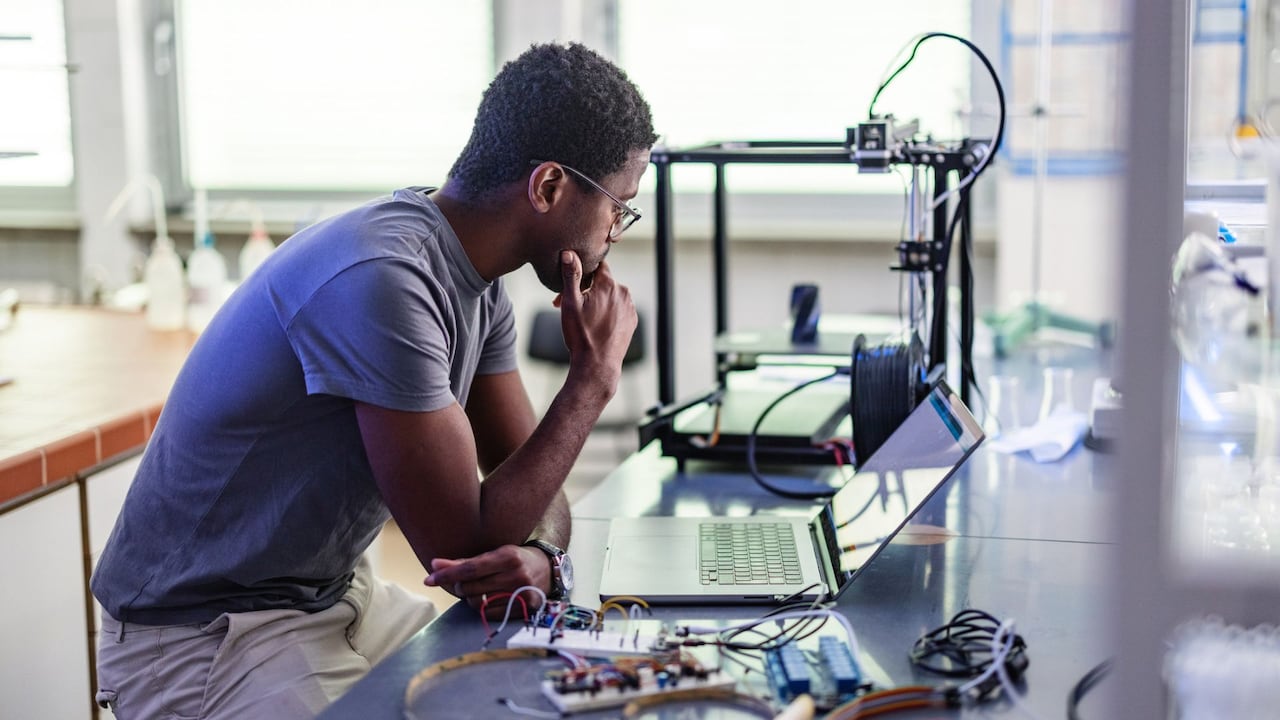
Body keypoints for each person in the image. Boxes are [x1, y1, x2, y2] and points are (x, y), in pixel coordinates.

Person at [90, 41, 657, 719]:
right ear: (548, 187)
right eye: (618, 208)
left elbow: (534, 490)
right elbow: (462, 549)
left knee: (531, 694)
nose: (614, 234)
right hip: (204, 636)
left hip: (330, 597)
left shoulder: (478, 287)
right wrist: (591, 382)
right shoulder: (385, 278)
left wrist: (539, 552)